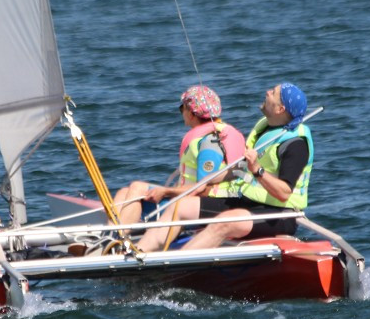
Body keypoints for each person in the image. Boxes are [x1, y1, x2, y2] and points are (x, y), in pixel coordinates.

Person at [134, 82, 313, 253]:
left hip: (280, 215)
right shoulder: (265, 131)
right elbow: (238, 170)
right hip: (248, 202)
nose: (267, 92)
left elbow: (284, 193)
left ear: (280, 109)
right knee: (180, 206)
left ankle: (170, 266)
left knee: (224, 222)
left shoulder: (295, 144)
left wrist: (257, 170)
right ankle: (137, 254)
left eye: (273, 93)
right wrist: (206, 181)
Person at [111, 85, 245, 228]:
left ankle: (120, 241)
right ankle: (111, 238)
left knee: (137, 187)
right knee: (124, 193)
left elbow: (204, 190)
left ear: (192, 114)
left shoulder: (210, 144)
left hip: (199, 210)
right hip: (187, 199)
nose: (181, 113)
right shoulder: (204, 138)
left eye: (182, 108)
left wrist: (167, 191)